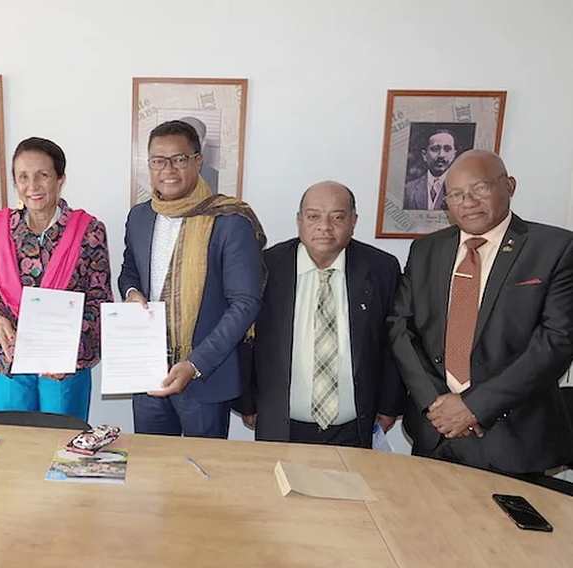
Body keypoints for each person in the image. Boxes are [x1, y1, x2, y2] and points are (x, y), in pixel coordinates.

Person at [389, 149, 573, 475]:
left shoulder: (555, 248)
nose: (468, 202)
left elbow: (556, 341)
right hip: (436, 431)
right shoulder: (426, 249)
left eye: (480, 188)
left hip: (513, 438)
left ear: (510, 186)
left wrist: (473, 407)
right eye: (456, 194)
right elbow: (401, 327)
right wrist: (437, 405)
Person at [119, 120, 265, 438]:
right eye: (158, 161)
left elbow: (245, 303)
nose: (168, 170)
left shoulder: (230, 221)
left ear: (198, 161)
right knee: (152, 464)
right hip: (147, 372)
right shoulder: (139, 216)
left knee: (203, 467)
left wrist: (195, 364)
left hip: (206, 377)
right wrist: (131, 292)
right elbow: (129, 270)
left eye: (179, 159)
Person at [234, 181, 405, 447]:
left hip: (355, 426)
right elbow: (245, 338)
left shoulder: (381, 268)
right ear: (299, 220)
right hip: (281, 424)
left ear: (353, 222)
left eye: (337, 217)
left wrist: (388, 405)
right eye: (313, 216)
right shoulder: (266, 266)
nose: (324, 227)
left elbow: (394, 342)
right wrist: (247, 401)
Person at [0, 137, 112, 422]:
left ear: (60, 179)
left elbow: (99, 299)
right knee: (13, 440)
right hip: (9, 358)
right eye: (23, 177)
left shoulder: (89, 230)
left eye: (43, 175)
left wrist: (67, 348)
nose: (33, 186)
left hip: (64, 363)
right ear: (15, 182)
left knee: (62, 440)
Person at [403, 129, 457, 211]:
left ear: (454, 155)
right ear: (424, 155)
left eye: (447, 149)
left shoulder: (462, 187)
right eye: (435, 149)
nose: (441, 155)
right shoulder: (409, 190)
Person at [179, 116, 219, 194]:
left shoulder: (215, 178)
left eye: (194, 139)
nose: (186, 144)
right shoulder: (162, 171)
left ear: (203, 144)